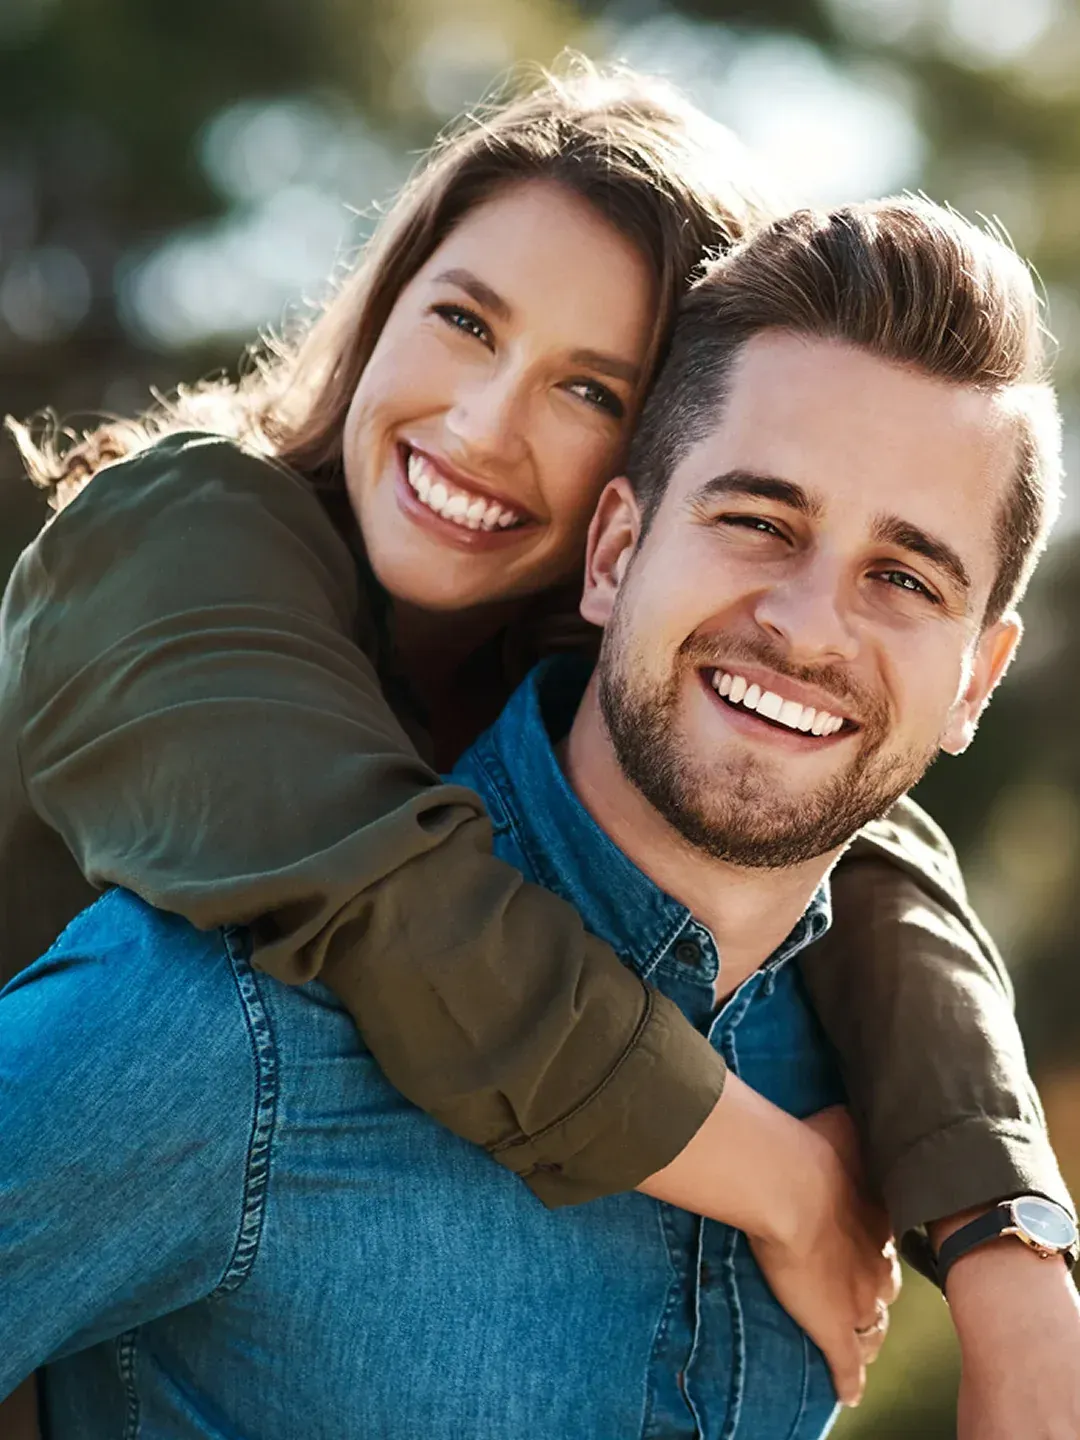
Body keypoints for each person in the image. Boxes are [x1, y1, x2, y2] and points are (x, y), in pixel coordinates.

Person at [3, 197, 1078, 1440]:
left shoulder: (847, 1069)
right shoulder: (223, 1026)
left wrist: (1015, 1254)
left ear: (978, 680)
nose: (808, 624)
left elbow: (877, 859)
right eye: (757, 521)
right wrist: (787, 1186)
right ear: (615, 550)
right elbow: (383, 908)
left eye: (902, 578)